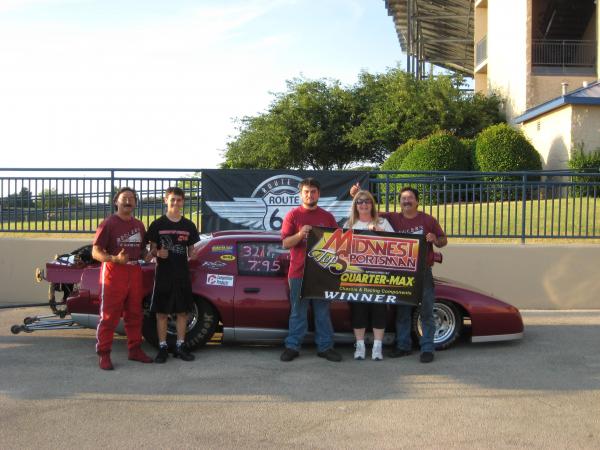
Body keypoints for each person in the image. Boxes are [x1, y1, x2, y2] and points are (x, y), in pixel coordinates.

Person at [350, 183, 447, 363]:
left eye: (410, 198)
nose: (407, 201)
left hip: (423, 271)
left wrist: (435, 239)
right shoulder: (392, 217)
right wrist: (356, 195)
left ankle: (427, 348)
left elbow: (443, 241)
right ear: (400, 202)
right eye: (403, 199)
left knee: (426, 311)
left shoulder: (428, 220)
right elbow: (367, 212)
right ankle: (403, 346)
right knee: (402, 310)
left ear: (417, 201)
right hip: (401, 271)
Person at [280, 178, 342, 363]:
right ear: (300, 194)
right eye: (306, 191)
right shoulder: (293, 216)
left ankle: (325, 347)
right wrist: (300, 235)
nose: (310, 195)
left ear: (319, 194)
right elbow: (285, 243)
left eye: (313, 191)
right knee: (298, 312)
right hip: (298, 272)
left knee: (322, 311)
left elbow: (338, 244)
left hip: (322, 273)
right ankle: (292, 347)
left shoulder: (327, 217)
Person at [92, 187, 153, 370]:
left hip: (134, 272)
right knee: (109, 316)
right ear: (116, 201)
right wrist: (114, 259)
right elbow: (95, 252)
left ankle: (134, 350)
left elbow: (142, 251)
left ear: (135, 203)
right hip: (113, 272)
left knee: (135, 314)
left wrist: (150, 255)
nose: (128, 201)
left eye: (132, 198)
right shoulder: (108, 223)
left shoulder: (139, 225)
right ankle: (104, 354)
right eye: (124, 198)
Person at [146, 187, 200, 364]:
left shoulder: (189, 225)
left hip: (182, 274)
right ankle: (162, 347)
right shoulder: (157, 224)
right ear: (166, 200)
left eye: (179, 200)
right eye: (172, 199)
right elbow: (151, 249)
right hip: (163, 274)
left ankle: (180, 346)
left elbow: (192, 250)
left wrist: (193, 254)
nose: (176, 203)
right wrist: (157, 253)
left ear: (183, 202)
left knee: (182, 312)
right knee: (161, 313)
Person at [344, 190, 394, 361]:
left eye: (367, 201)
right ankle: (360, 347)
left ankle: (377, 348)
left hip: (379, 276)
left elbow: (397, 246)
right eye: (360, 201)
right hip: (356, 276)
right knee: (358, 311)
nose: (363, 204)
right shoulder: (350, 224)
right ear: (355, 205)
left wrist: (381, 232)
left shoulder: (382, 222)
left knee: (379, 310)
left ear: (372, 204)